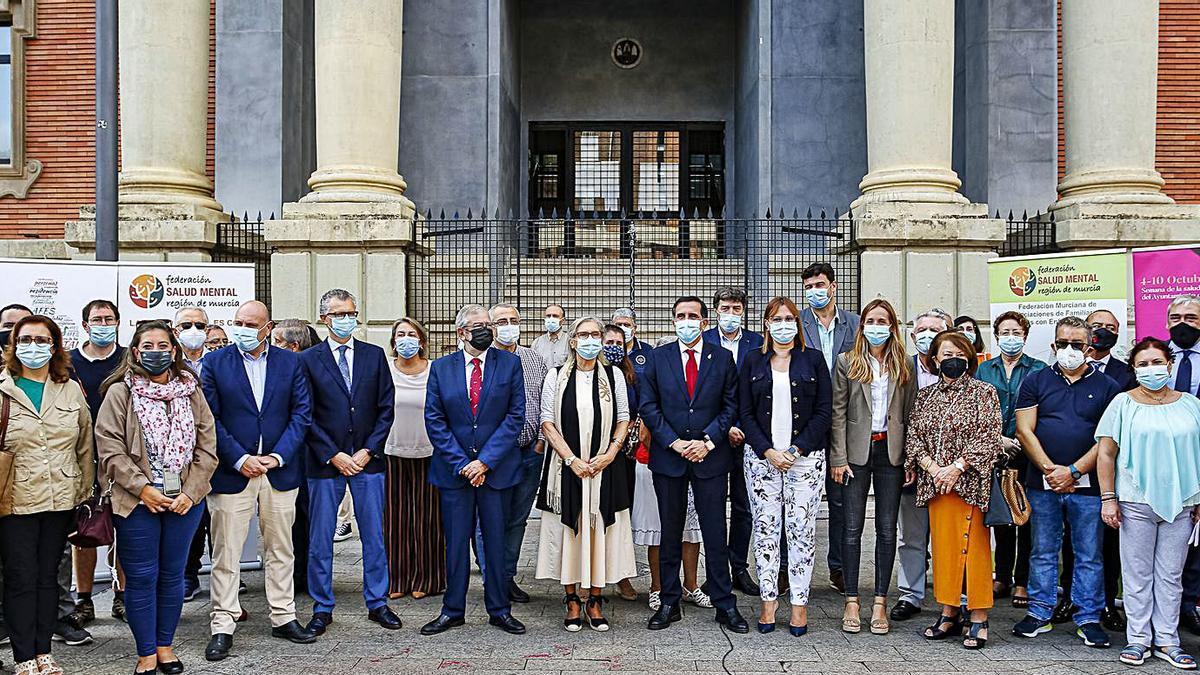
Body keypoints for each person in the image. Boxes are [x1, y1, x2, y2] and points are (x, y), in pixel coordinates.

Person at [94, 320, 218, 675]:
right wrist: (143, 488)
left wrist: (191, 493)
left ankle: (165, 645)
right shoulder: (120, 393)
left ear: (174, 350)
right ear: (135, 352)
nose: (155, 352)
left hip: (184, 502)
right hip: (137, 501)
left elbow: (207, 447)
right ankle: (145, 651)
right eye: (147, 346)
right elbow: (110, 448)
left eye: (162, 345)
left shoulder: (192, 391)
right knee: (143, 575)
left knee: (173, 576)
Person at [200, 301, 317, 662]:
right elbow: (209, 417)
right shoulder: (215, 362)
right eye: (238, 322)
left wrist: (277, 456)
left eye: (251, 323)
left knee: (281, 547)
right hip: (233, 471)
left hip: (279, 470)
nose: (243, 328)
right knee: (226, 552)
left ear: (268, 328)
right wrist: (240, 458)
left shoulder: (291, 362)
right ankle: (223, 622)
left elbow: (302, 413)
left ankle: (283, 616)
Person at [1011, 316, 1122, 649]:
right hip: (1042, 483)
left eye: (1077, 344)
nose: (1069, 350)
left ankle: (1088, 617)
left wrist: (1072, 472)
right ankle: (1039, 612)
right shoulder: (1036, 380)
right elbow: (1024, 430)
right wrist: (1050, 470)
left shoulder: (1108, 388)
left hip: (1088, 487)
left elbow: (1107, 441)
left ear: (1089, 348)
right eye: (1063, 344)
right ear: (1053, 345)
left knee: (1089, 553)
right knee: (1042, 550)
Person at [640, 296, 748, 633]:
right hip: (668, 458)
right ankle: (669, 600)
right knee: (670, 530)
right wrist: (673, 441)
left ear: (704, 322)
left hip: (711, 458)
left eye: (693, 316)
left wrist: (708, 442)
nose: (686, 321)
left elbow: (730, 406)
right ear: (673, 320)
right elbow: (648, 406)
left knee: (715, 532)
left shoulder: (723, 359)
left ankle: (724, 603)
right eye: (680, 316)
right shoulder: (658, 359)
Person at [421, 304, 526, 636]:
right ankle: (453, 610)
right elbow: (434, 420)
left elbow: (515, 416)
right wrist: (463, 464)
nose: (487, 330)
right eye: (479, 325)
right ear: (461, 332)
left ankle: (499, 610)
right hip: (455, 473)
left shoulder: (509, 364)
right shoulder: (441, 368)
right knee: (454, 544)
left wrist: (485, 462)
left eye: (489, 325)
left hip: (496, 471)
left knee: (494, 543)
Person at [299, 289, 399, 635]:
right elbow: (305, 412)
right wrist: (334, 454)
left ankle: (377, 602)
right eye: (339, 314)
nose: (347, 319)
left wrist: (368, 450)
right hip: (326, 463)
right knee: (321, 537)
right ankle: (322, 606)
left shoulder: (374, 356)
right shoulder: (309, 360)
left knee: (374, 535)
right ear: (324, 318)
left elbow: (387, 407)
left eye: (351, 313)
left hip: (367, 460)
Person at [1097, 337, 1200, 668]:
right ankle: (1138, 639)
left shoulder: (1191, 405)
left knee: (1171, 574)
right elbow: (1106, 454)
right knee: (1137, 574)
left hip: (1182, 503)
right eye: (1143, 364)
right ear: (1134, 369)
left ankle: (1168, 641)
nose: (1151, 369)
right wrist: (1108, 499)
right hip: (1135, 503)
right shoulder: (1122, 404)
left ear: (1169, 365)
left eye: (1157, 362)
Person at [0, 315, 94, 675]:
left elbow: (85, 444)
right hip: (15, 500)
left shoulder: (69, 387)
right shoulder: (4, 386)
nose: (33, 346)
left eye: (42, 340)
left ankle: (44, 652)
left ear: (55, 346)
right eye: (25, 339)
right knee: (21, 577)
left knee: (48, 577)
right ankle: (24, 656)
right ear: (14, 345)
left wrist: (84, 493)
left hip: (61, 499)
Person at [535, 316, 636, 631]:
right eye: (584, 334)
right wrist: (571, 460)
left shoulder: (613, 374)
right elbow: (547, 421)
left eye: (596, 334)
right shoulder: (555, 375)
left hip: (605, 469)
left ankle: (594, 599)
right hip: (567, 469)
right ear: (573, 340)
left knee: (599, 531)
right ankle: (572, 599)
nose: (591, 339)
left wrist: (610, 453)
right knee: (571, 530)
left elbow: (624, 417)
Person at [738, 296, 832, 635]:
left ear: (798, 323)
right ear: (766, 324)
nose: (783, 324)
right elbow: (744, 412)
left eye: (789, 318)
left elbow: (824, 411)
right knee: (765, 531)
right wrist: (767, 450)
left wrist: (796, 448)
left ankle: (799, 606)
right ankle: (768, 602)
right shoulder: (752, 360)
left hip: (805, 461)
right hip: (762, 461)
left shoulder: (814, 360)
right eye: (776, 318)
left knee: (801, 532)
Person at [906, 330, 1004, 649]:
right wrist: (934, 469)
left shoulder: (984, 392)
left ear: (971, 357)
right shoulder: (925, 396)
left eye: (960, 353)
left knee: (974, 550)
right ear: (935, 360)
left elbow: (990, 435)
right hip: (936, 485)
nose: (953, 359)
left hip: (970, 483)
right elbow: (914, 436)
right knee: (945, 549)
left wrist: (956, 467)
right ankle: (949, 611)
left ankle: (978, 616)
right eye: (946, 354)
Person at [830, 298, 915, 635]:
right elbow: (837, 413)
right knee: (851, 529)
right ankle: (852, 599)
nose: (876, 327)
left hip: (890, 454)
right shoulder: (847, 362)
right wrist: (837, 457)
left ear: (892, 327)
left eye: (883, 321)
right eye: (870, 321)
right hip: (855, 454)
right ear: (862, 325)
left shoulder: (903, 363)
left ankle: (880, 601)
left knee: (886, 528)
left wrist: (909, 457)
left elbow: (910, 414)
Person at [1055, 308, 1134, 631]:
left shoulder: (1124, 374)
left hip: (1105, 474)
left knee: (1106, 545)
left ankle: (1104, 604)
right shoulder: (1053, 374)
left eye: (1109, 327)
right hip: (1059, 475)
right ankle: (1069, 598)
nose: (1103, 331)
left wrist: (1078, 468)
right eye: (1097, 325)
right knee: (1071, 543)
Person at [478, 303, 547, 604]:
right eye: (501, 321)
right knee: (489, 519)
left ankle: (507, 577)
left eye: (513, 320)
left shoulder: (534, 359)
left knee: (518, 519)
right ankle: (491, 578)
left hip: (530, 451)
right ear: (490, 327)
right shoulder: (482, 361)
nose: (508, 325)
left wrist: (542, 441)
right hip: (494, 456)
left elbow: (548, 402)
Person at [799, 262, 860, 595]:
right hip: (807, 420)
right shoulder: (797, 323)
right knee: (796, 500)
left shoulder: (855, 324)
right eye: (809, 287)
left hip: (845, 420)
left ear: (834, 286)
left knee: (840, 500)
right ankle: (790, 569)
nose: (815, 292)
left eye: (820, 285)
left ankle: (838, 567)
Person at [975, 311, 1043, 610]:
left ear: (1025, 336)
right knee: (1001, 515)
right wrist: (997, 439)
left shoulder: (1038, 368)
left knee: (1025, 517)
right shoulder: (984, 369)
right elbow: (976, 407)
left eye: (1016, 332)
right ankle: (1000, 575)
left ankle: (1022, 580)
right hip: (995, 451)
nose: (1010, 337)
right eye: (1005, 332)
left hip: (1029, 452)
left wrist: (1021, 438)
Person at [66, 299, 127, 635]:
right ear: (85, 325)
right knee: (84, 532)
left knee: (123, 528)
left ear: (118, 322)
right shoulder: (70, 363)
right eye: (96, 319)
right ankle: (84, 598)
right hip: (81, 456)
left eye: (109, 318)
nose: (103, 323)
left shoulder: (128, 360)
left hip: (121, 456)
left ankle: (122, 595)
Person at [891, 308, 951, 623]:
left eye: (934, 330)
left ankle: (950, 595)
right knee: (911, 535)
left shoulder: (960, 371)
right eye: (921, 329)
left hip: (951, 471)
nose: (926, 335)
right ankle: (910, 594)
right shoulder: (901, 370)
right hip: (911, 467)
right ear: (913, 337)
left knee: (948, 536)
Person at [703, 287, 764, 597]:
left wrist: (742, 426)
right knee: (711, 505)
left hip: (748, 437)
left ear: (744, 311)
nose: (730, 313)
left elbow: (757, 390)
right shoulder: (705, 341)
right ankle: (714, 571)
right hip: (714, 435)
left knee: (744, 506)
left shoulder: (758, 343)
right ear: (716, 311)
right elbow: (703, 392)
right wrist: (724, 427)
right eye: (725, 307)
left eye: (736, 308)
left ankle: (738, 567)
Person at [382, 318, 445, 600]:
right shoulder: (384, 371)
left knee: (428, 519)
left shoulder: (436, 371)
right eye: (401, 335)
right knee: (395, 519)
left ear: (421, 341)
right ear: (394, 342)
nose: (406, 339)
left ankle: (427, 579)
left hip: (430, 452)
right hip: (391, 451)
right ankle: (397, 579)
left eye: (412, 334)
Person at [271, 319, 317, 594]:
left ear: (294, 346)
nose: (272, 348)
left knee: (304, 519)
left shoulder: (303, 370)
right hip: (284, 456)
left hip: (305, 457)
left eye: (277, 342)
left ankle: (304, 574)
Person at [1169, 296, 1200, 635]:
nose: (1183, 323)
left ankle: (1188, 603)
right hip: (1163, 460)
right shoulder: (1154, 359)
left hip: (1198, 455)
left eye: (1191, 318)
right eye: (1176, 317)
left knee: (1196, 536)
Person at [612, 308, 654, 377]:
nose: (622, 329)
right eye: (618, 325)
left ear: (634, 329)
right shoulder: (607, 350)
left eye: (627, 325)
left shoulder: (648, 351)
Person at [174, 306, 210, 375]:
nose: (194, 330)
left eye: (199, 325)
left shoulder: (219, 360)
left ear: (207, 331)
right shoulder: (169, 361)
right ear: (176, 332)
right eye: (186, 325)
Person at [532, 303, 570, 368]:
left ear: (563, 321)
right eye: (548, 316)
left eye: (555, 316)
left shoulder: (569, 341)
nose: (551, 319)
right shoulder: (537, 343)